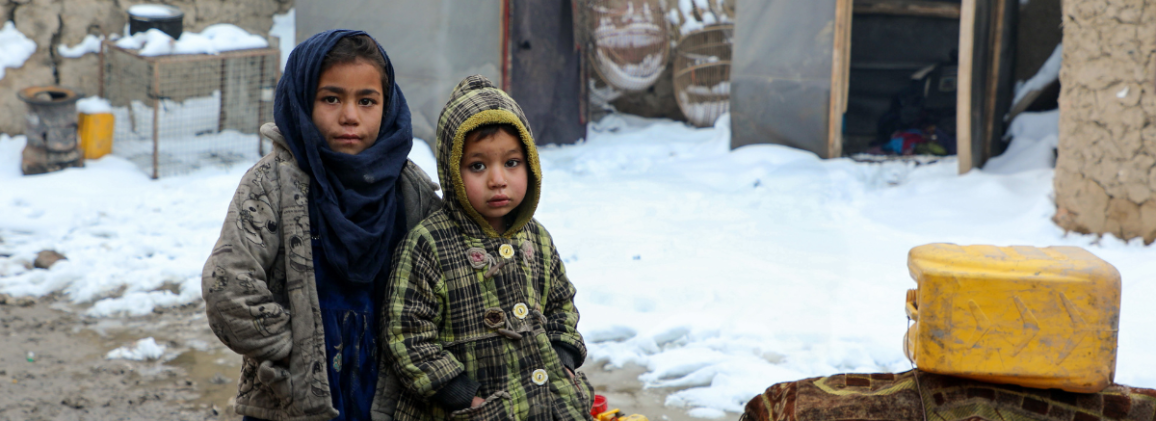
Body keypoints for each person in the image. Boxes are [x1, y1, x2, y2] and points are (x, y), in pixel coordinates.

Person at [201, 29, 440, 421]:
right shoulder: (272, 184)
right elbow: (226, 286)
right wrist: (295, 354)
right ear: (302, 99)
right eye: (331, 98)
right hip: (291, 400)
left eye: (367, 100)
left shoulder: (410, 193)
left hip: (385, 400)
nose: (349, 115)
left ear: (388, 104)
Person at [384, 75, 594, 421]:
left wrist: (563, 357)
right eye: (478, 166)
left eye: (511, 163)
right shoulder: (429, 244)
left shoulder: (536, 238)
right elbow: (406, 333)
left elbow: (561, 303)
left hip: (548, 403)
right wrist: (459, 393)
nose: (497, 180)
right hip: (473, 410)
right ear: (452, 171)